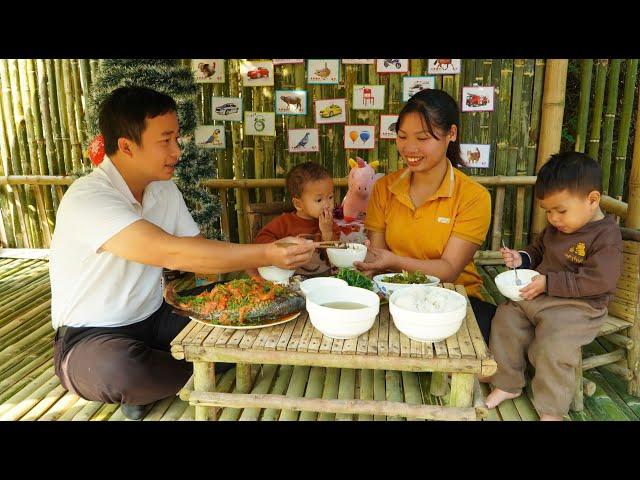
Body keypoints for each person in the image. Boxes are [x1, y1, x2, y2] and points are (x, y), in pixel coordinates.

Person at [49, 86, 315, 420]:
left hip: (158, 318)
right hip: (92, 337)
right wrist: (266, 254)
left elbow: (198, 249)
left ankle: (174, 375)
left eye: (177, 138)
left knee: (239, 317)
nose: (177, 151)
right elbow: (172, 253)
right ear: (127, 147)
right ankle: (169, 376)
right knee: (122, 369)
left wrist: (244, 284)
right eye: (165, 140)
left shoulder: (164, 189)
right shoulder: (88, 198)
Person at [485, 152, 622, 421]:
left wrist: (550, 282)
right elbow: (538, 251)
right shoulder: (556, 230)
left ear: (592, 200)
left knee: (554, 344)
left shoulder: (606, 237)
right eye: (548, 211)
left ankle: (551, 409)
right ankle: (507, 382)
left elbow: (600, 280)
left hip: (580, 307)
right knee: (506, 317)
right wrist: (521, 259)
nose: (554, 219)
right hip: (541, 296)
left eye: (561, 211)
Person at [354, 88, 495, 342]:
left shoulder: (473, 196)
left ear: (451, 134)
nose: (409, 148)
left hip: (454, 298)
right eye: (402, 136)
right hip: (393, 297)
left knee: (478, 367)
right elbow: (377, 259)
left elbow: (449, 270)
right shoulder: (385, 188)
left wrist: (391, 261)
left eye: (422, 138)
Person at [249, 161, 337, 278]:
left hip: (323, 280)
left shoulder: (329, 223)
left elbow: (335, 256)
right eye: (319, 200)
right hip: (291, 282)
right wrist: (285, 246)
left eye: (330, 197)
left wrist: (327, 232)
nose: (327, 204)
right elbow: (261, 241)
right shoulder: (284, 222)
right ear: (298, 204)